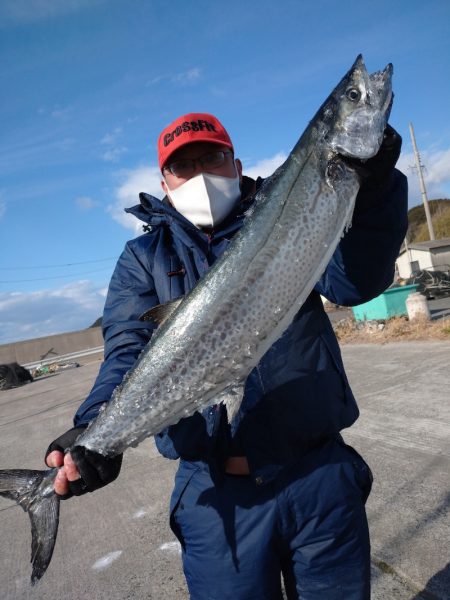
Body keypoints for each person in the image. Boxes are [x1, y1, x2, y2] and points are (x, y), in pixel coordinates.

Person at [46, 112, 408, 599]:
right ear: (164, 182)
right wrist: (94, 430)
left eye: (211, 158)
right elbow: (128, 348)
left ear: (235, 164)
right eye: (184, 166)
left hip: (317, 477)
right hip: (216, 497)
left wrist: (377, 189)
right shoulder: (144, 257)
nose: (199, 175)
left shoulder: (290, 211)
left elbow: (355, 282)